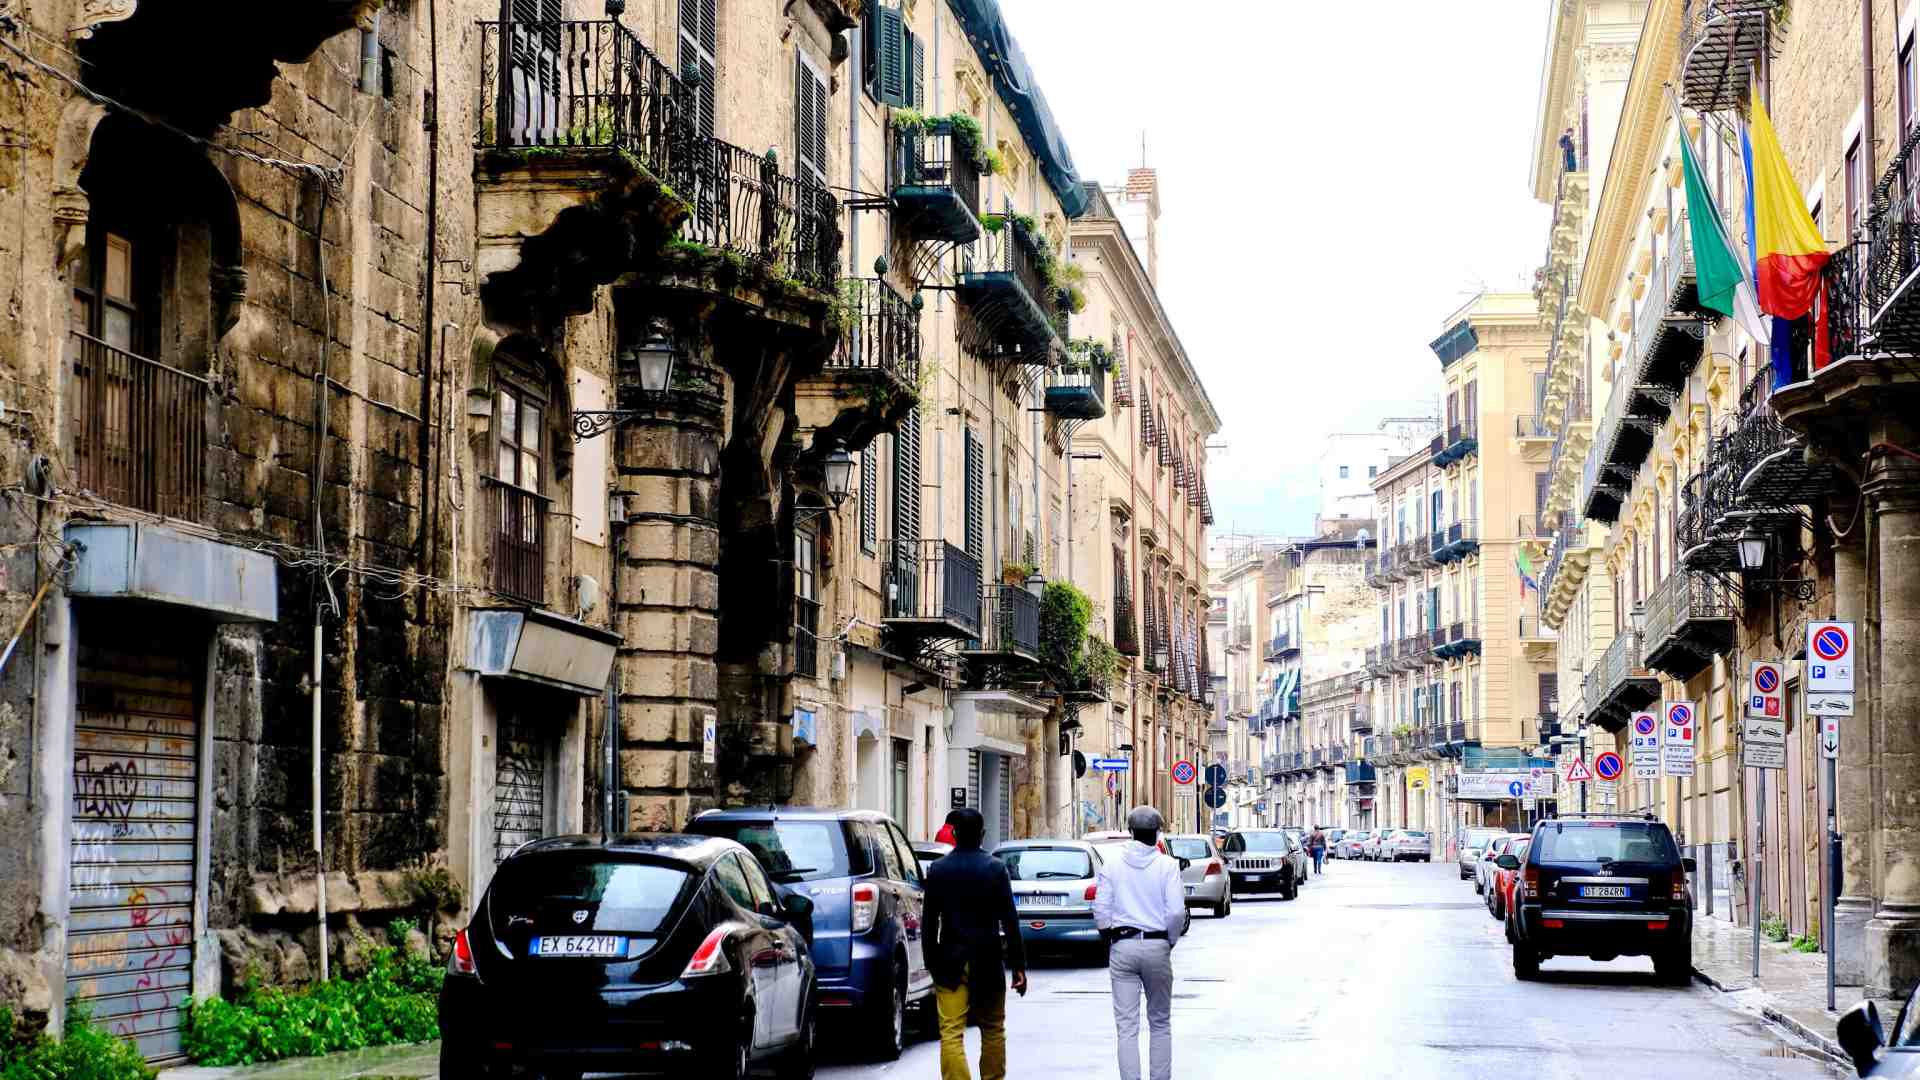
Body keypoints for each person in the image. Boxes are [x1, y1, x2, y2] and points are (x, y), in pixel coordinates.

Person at [922, 807, 1027, 1080]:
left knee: (951, 1033)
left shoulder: (938, 870)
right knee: (992, 1028)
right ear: (982, 835)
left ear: (954, 834)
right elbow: (1010, 920)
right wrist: (1018, 966)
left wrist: (931, 962)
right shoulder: (995, 868)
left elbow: (929, 922)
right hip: (987, 961)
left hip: (950, 962)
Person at [1094, 805, 1185, 1080]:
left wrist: (1109, 936)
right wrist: (1169, 940)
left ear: (1130, 832)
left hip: (1123, 945)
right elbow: (1176, 912)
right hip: (1157, 945)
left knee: (1126, 1026)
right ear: (1158, 834)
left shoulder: (1112, 864)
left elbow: (1101, 908)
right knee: (1159, 1022)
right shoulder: (1167, 865)